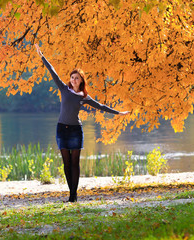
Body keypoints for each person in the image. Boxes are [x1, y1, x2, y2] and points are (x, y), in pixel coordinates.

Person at [35, 44, 130, 202]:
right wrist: (41, 55)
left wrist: (118, 112)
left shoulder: (84, 97)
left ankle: (73, 195)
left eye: (76, 78)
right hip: (61, 130)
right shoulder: (64, 89)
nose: (73, 80)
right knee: (66, 163)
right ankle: (72, 193)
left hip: (75, 131)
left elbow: (100, 106)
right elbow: (52, 71)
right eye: (72, 77)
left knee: (75, 163)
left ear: (81, 81)